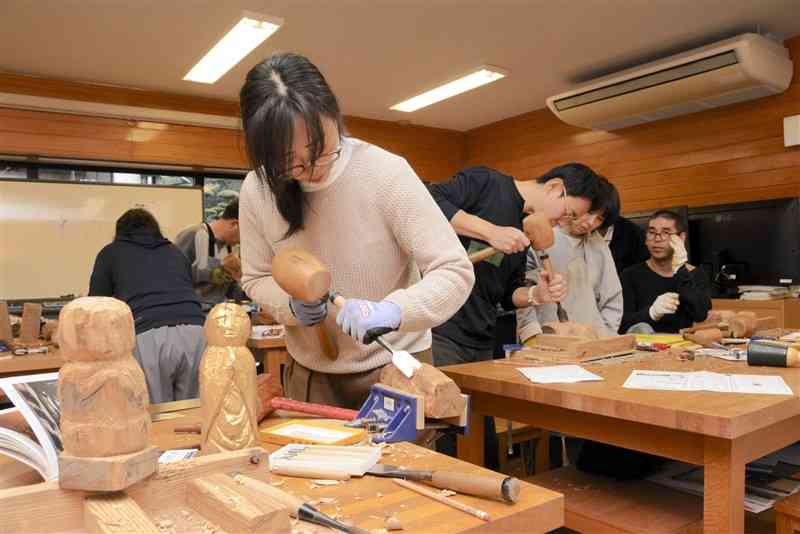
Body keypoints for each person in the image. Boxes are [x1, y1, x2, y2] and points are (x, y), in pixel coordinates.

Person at [237, 52, 474, 410]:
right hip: (310, 374)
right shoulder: (257, 190)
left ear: (335, 116)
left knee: (398, 466)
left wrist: (394, 311)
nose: (313, 168)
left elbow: (455, 270)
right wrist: (290, 306)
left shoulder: (384, 173)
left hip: (394, 367)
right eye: (292, 163)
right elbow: (255, 277)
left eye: (321, 150)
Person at [428, 163, 609, 467]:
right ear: (554, 187)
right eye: (568, 213)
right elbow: (429, 199)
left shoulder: (524, 222)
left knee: (480, 446)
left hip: (481, 341)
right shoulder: (486, 182)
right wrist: (490, 232)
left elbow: (507, 293)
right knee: (445, 439)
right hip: (441, 331)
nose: (562, 222)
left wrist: (536, 295)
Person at [88, 209, 206, 403]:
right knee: (193, 411)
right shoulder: (175, 252)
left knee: (154, 415)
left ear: (119, 233)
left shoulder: (110, 253)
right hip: (196, 332)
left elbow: (96, 304)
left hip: (148, 333)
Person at [518, 178, 622, 341]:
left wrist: (604, 337)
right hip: (548, 338)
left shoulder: (599, 246)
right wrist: (531, 336)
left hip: (591, 341)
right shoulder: (541, 234)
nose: (590, 223)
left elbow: (612, 298)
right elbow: (522, 292)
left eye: (599, 218)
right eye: (589, 212)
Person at [619, 210, 711, 334]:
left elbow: (700, 314)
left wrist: (680, 270)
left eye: (666, 233)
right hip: (644, 348)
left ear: (681, 238)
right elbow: (621, 324)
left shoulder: (695, 274)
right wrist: (652, 313)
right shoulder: (630, 275)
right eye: (652, 232)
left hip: (682, 346)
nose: (657, 239)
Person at [174, 199, 243, 308]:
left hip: (219, 311)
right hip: (192, 310)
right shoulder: (193, 234)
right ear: (235, 224)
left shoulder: (232, 248)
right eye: (245, 234)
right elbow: (173, 276)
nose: (242, 241)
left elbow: (231, 289)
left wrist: (239, 276)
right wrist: (212, 272)